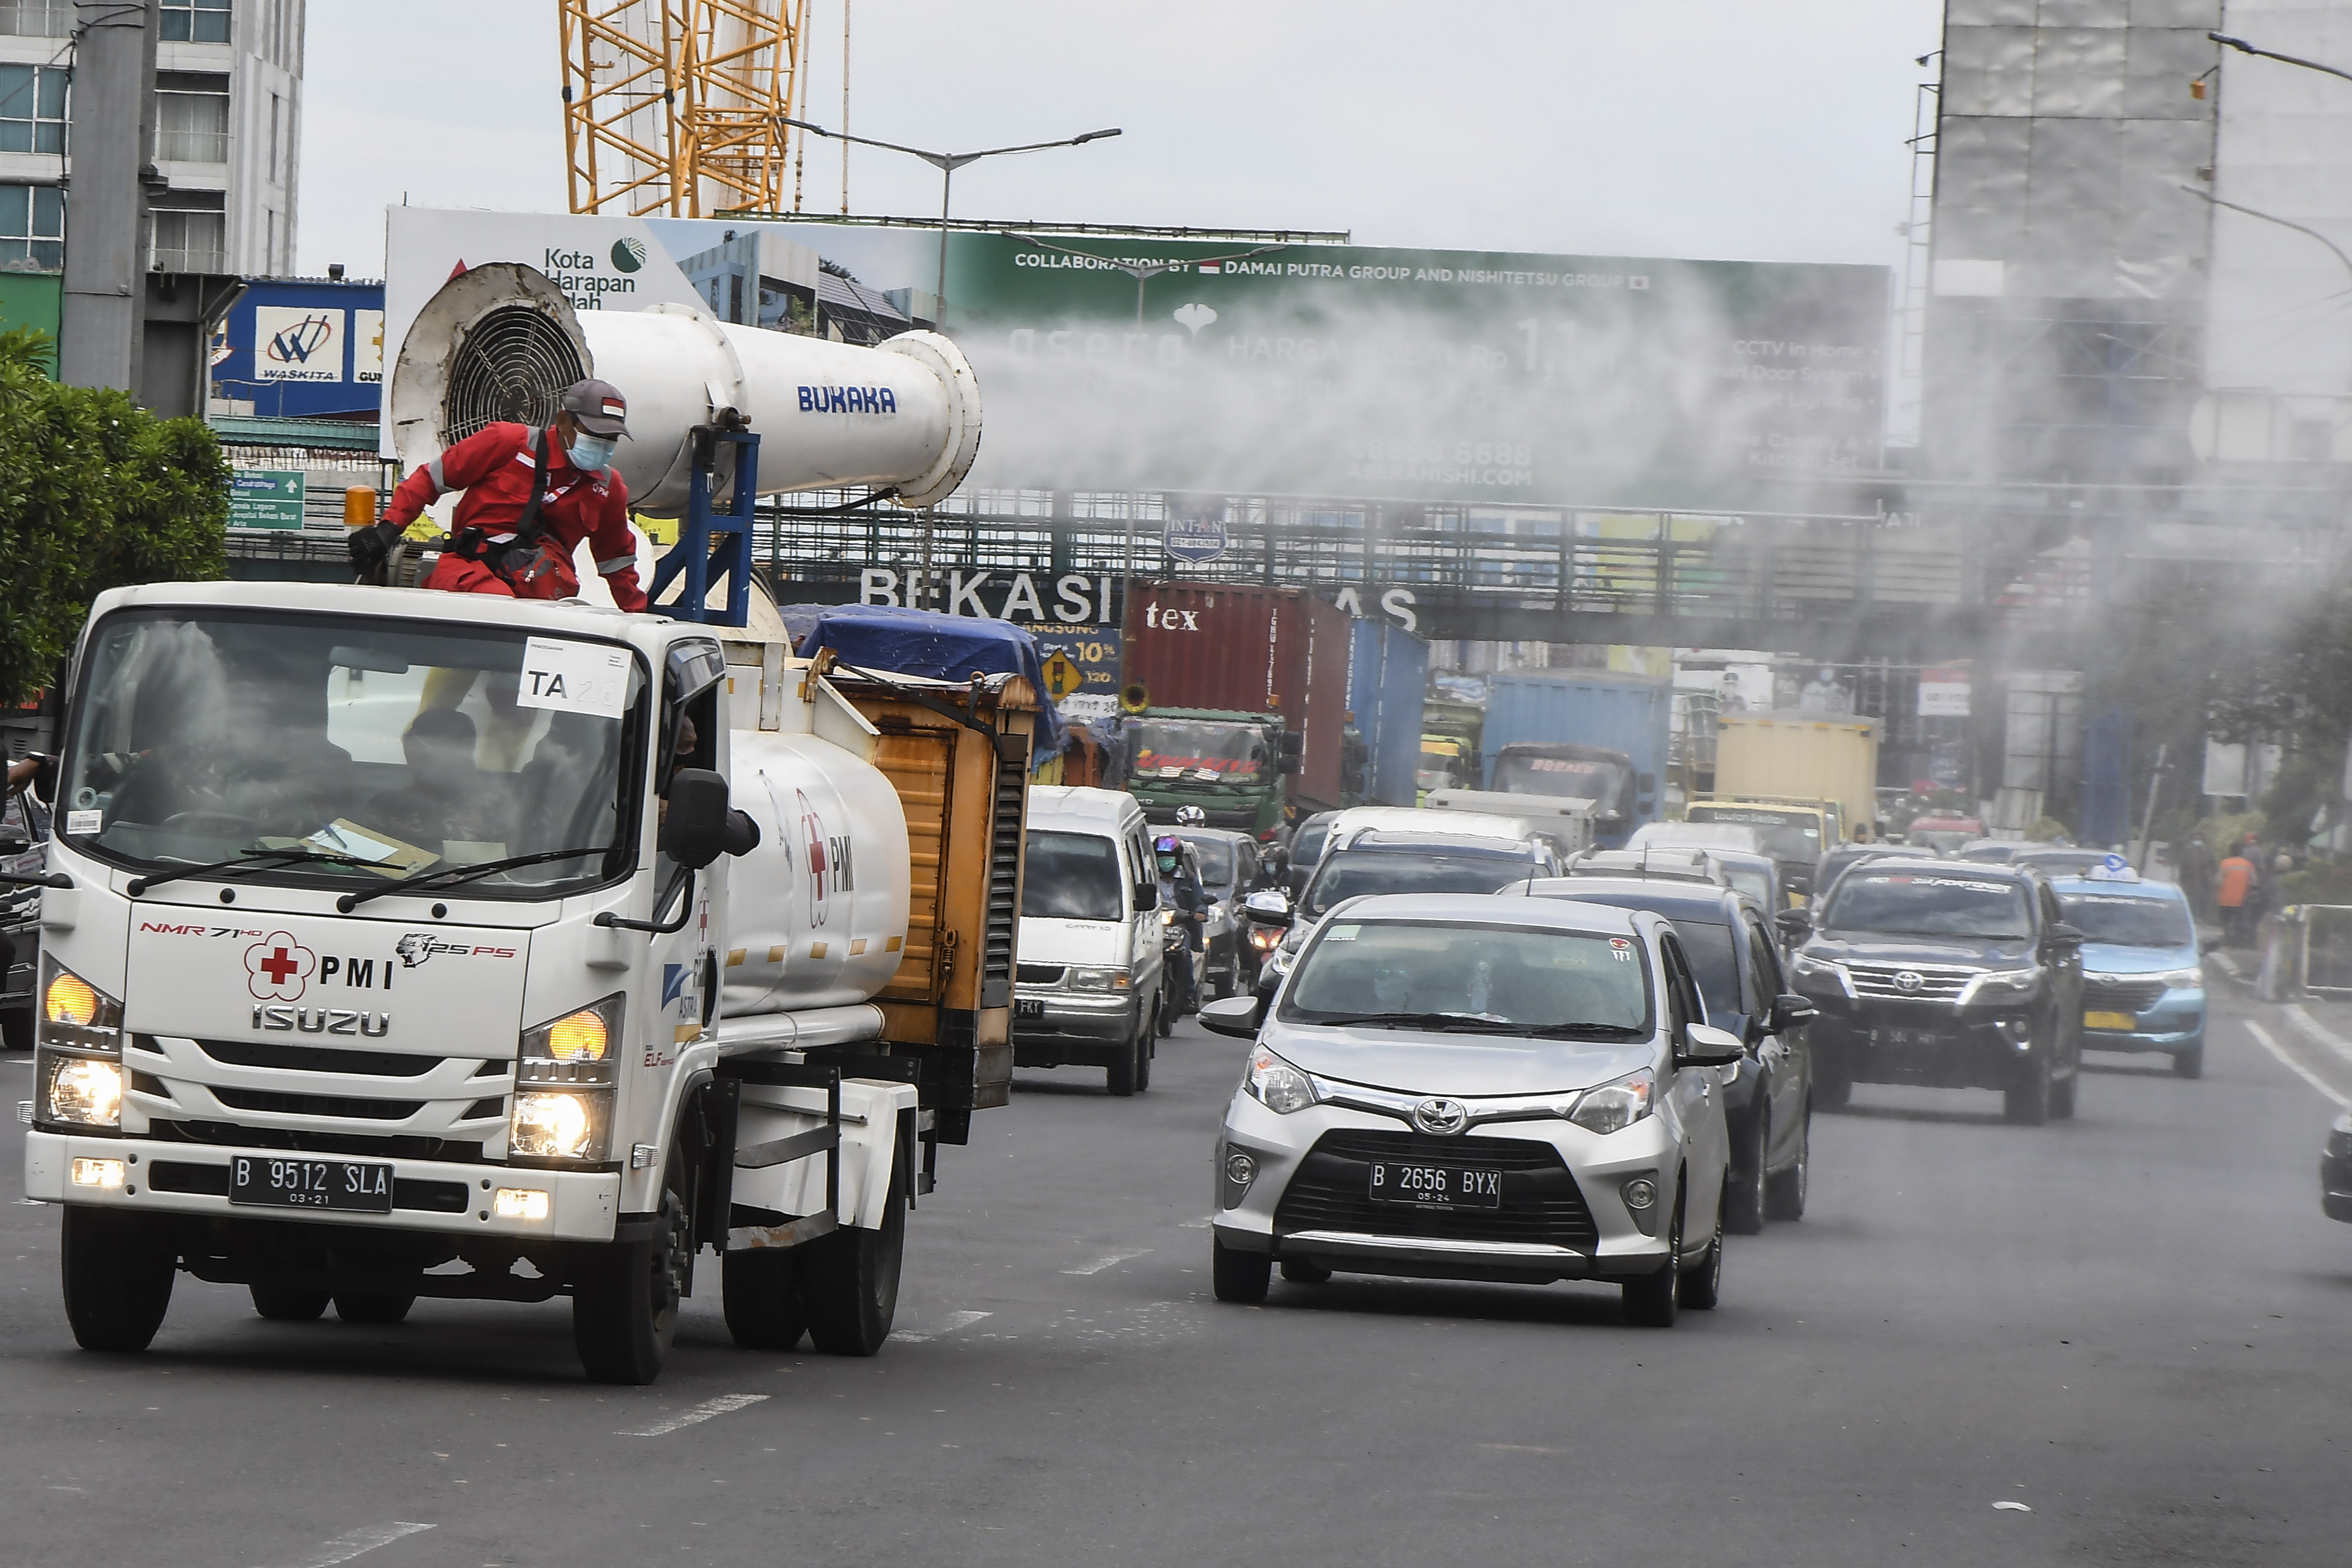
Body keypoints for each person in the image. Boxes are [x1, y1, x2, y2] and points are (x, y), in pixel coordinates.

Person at [348, 379, 647, 613]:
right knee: (500, 612)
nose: (602, 445)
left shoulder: (609, 488)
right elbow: (430, 479)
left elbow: (617, 561)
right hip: (469, 575)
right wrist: (387, 530)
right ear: (563, 420)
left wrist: (638, 616)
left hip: (541, 594)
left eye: (610, 439)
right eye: (593, 434)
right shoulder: (507, 442)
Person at [1155, 833, 1207, 1017]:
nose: (1165, 863)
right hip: (1153, 928)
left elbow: (1199, 900)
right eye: (1161, 859)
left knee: (1184, 955)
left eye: (1168, 859)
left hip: (1180, 927)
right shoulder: (1149, 876)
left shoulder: (1190, 879)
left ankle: (1188, 995)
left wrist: (1200, 912)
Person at [2216, 841, 2259, 949]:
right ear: (2242, 852)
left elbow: (2218, 881)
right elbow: (2255, 882)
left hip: (2225, 899)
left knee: (2225, 920)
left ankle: (2228, 938)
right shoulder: (2248, 865)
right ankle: (2237, 941)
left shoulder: (2225, 863)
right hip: (2241, 900)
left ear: (2230, 852)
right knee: (2239, 921)